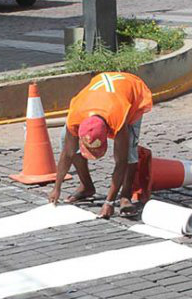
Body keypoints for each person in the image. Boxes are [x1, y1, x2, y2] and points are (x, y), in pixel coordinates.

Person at [48, 72, 153, 218]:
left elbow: (121, 161)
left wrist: (109, 203)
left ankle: (125, 195)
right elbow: (68, 153)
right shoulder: (75, 117)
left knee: (129, 150)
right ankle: (87, 186)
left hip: (130, 93)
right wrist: (56, 187)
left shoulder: (118, 118)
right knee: (64, 141)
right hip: (98, 97)